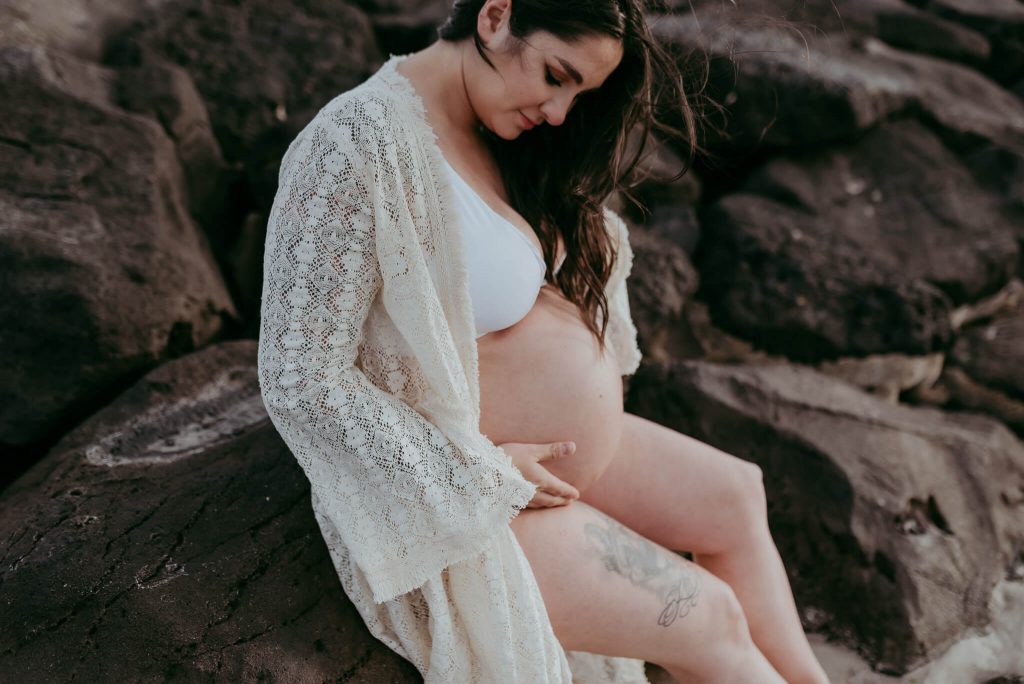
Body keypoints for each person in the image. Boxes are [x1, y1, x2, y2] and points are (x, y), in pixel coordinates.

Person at [257, 0, 832, 682]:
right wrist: (481, 474)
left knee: (737, 494)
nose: (559, 112)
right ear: (496, 17)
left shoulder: (502, 133)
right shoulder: (353, 144)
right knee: (712, 619)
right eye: (556, 76)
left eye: (579, 92)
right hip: (466, 501)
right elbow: (300, 377)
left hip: (544, 465)